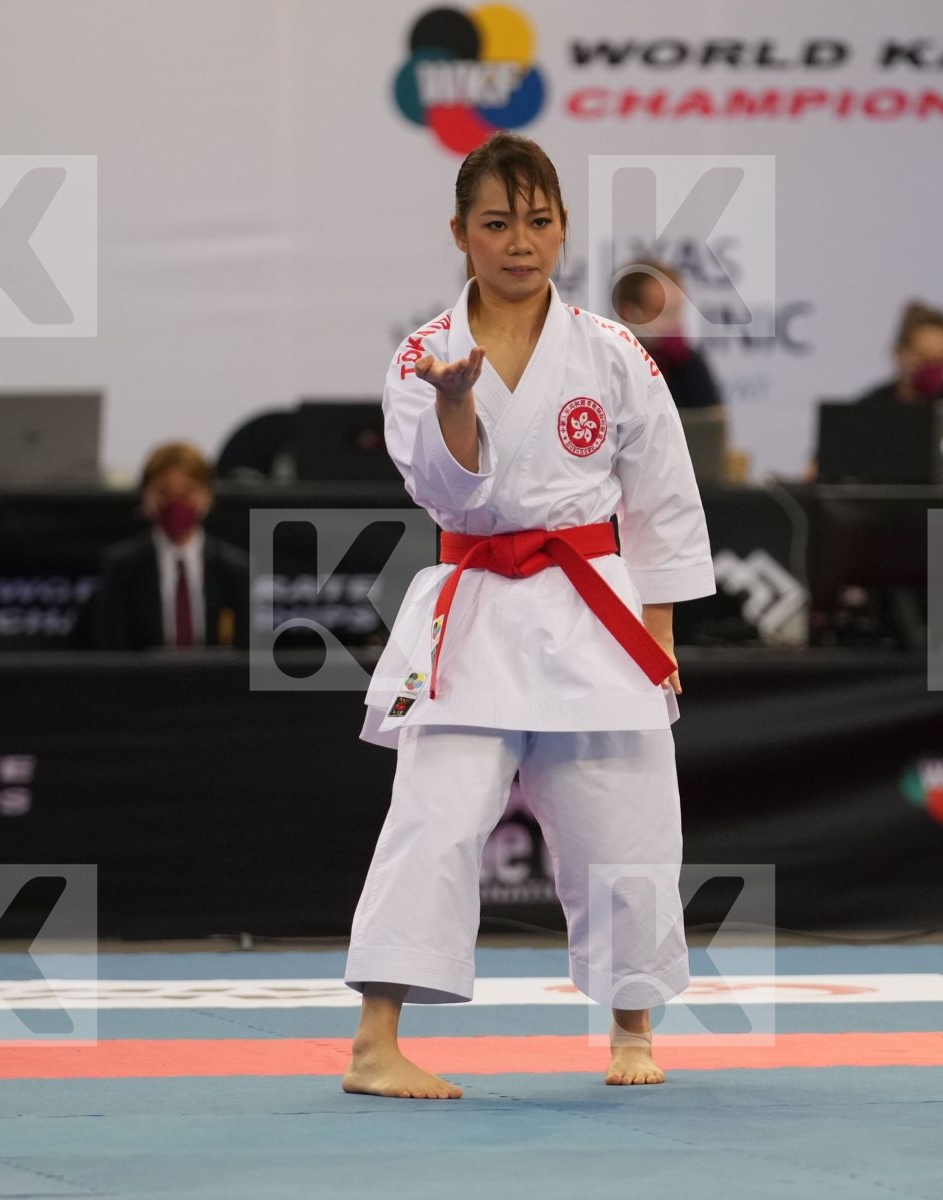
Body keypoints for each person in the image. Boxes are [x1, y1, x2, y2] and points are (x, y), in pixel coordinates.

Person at [341, 133, 715, 1100]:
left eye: (539, 221)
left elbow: (662, 499)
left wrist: (661, 640)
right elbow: (437, 485)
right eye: (498, 223)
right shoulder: (426, 356)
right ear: (460, 233)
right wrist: (458, 411)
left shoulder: (614, 352)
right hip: (472, 610)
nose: (521, 242)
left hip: (591, 611)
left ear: (563, 229)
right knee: (433, 818)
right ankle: (376, 1042)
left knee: (626, 824)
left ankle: (631, 1026)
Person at [94, 442, 249, 650]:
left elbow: (245, 653)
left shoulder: (235, 568)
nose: (175, 504)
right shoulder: (122, 566)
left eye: (187, 494)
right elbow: (112, 649)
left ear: (208, 496)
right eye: (163, 493)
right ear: (145, 496)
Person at [611, 259, 723, 411]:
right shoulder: (610, 366)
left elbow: (710, 428)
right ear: (627, 314)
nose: (675, 322)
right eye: (661, 312)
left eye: (677, 310)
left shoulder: (690, 364)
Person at [855, 300, 943, 406]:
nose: (934, 367)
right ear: (900, 354)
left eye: (941, 359)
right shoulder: (872, 408)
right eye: (925, 358)